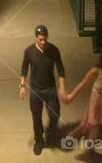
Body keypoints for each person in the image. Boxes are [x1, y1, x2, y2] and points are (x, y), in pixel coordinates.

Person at [64, 51, 102, 162]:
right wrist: (71, 96)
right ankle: (88, 151)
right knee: (95, 133)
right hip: (96, 105)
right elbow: (83, 83)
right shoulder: (96, 71)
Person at [20, 25, 67, 156]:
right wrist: (22, 86)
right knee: (36, 117)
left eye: (45, 39)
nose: (43, 42)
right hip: (35, 89)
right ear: (36, 38)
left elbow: (60, 68)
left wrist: (62, 87)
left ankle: (50, 131)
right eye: (41, 39)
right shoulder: (29, 51)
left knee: (55, 114)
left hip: (50, 88)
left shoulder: (54, 50)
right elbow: (24, 68)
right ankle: (39, 140)